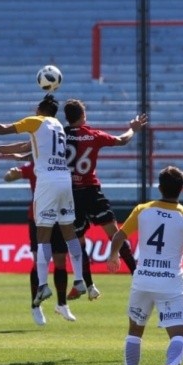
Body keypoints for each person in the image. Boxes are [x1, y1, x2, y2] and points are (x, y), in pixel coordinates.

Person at [0, 94, 86, 307]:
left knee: (42, 235)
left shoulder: (35, 121)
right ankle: (80, 280)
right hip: (64, 180)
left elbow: (4, 128)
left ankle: (42, 285)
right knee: (68, 231)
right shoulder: (57, 127)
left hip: (47, 182)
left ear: (40, 110)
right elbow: (26, 147)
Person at [107, 165, 183, 365]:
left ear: (159, 187)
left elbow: (119, 235)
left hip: (143, 280)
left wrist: (113, 255)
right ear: (182, 189)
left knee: (135, 332)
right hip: (170, 283)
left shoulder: (142, 210)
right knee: (180, 333)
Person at [63, 99, 147, 300]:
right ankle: (138, 278)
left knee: (78, 242)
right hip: (92, 192)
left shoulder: (60, 136)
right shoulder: (94, 135)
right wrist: (133, 129)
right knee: (115, 234)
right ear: (83, 116)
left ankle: (89, 286)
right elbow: (122, 140)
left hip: (70, 194)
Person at [3, 160, 76, 325]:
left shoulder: (61, 164)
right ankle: (35, 305)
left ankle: (62, 304)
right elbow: (7, 178)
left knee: (60, 261)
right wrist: (11, 174)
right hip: (38, 218)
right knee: (39, 261)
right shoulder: (35, 166)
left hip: (60, 217)